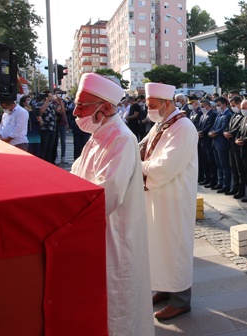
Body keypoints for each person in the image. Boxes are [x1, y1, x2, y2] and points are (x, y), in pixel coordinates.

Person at [70, 73, 153, 335]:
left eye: (82, 105)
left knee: (117, 305)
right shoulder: (98, 134)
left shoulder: (121, 138)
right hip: (96, 232)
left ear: (105, 108)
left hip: (115, 234)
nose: (75, 111)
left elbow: (107, 194)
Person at [140, 82, 198, 321]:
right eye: (147, 105)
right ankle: (163, 288)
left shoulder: (182, 126)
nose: (149, 110)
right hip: (157, 195)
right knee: (157, 244)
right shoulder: (161, 124)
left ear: (166, 103)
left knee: (174, 247)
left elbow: (166, 166)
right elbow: (142, 148)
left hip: (173, 197)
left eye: (153, 106)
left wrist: (137, 166)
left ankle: (181, 300)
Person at [209, 96, 233, 192]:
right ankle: (220, 182)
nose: (217, 107)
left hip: (222, 143)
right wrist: (210, 132)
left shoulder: (227, 114)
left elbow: (223, 128)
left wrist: (215, 133)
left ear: (224, 104)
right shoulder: (219, 115)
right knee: (218, 164)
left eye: (219, 105)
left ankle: (226, 184)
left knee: (224, 165)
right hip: (216, 142)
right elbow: (213, 126)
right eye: (216, 105)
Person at [224, 96, 246, 197]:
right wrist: (225, 132)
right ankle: (235, 187)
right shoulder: (234, 115)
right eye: (231, 105)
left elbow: (239, 128)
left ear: (239, 104)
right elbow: (229, 126)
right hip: (231, 145)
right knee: (233, 168)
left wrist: (230, 133)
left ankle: (241, 190)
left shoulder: (243, 115)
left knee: (240, 169)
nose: (232, 107)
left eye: (234, 105)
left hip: (237, 145)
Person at [36, 91, 61, 163]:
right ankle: (42, 163)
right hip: (45, 129)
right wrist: (47, 100)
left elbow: (61, 111)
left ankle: (49, 162)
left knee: (50, 148)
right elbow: (41, 111)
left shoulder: (51, 105)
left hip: (52, 129)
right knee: (44, 148)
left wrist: (60, 102)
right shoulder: (39, 104)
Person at [197, 99, 218, 188]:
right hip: (202, 141)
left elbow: (209, 126)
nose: (201, 109)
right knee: (204, 160)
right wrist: (198, 132)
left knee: (210, 161)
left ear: (208, 106)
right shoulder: (202, 116)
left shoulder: (212, 114)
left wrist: (201, 132)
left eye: (203, 107)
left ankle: (213, 180)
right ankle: (207, 178)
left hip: (208, 141)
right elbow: (199, 125)